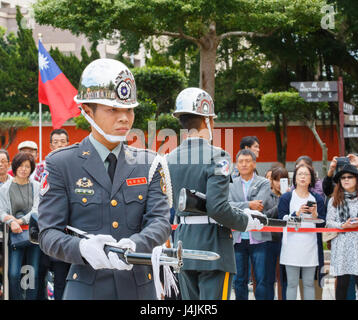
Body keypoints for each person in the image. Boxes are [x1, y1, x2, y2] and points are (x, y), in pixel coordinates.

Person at [38, 58, 172, 300]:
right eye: (113, 110)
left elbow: (160, 222)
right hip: (85, 288)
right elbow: (48, 234)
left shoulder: (150, 164)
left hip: (139, 288)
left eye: (129, 109)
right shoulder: (61, 164)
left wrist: (136, 245)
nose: (124, 118)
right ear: (88, 112)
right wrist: (82, 248)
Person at [166, 87, 263, 300]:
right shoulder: (218, 156)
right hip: (213, 247)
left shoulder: (169, 158)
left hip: (183, 244)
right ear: (207, 119)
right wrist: (245, 222)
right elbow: (217, 207)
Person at [278, 164, 326, 300]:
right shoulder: (286, 198)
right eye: (300, 174)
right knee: (292, 283)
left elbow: (322, 224)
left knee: (309, 283)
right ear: (295, 178)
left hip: (310, 246)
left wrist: (315, 215)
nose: (303, 177)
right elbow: (282, 222)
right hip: (291, 246)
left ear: (311, 179)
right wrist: (297, 213)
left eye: (306, 174)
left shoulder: (317, 199)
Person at [228, 149, 271, 300]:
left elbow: (260, 205)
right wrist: (248, 204)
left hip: (258, 238)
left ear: (254, 163)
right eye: (241, 161)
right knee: (239, 280)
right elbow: (228, 206)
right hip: (238, 238)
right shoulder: (230, 183)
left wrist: (241, 206)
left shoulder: (264, 182)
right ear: (237, 165)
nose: (244, 164)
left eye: (247, 161)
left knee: (261, 280)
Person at [0, 152, 41, 300]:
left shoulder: (36, 186)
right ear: (15, 167)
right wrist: (11, 221)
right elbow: (1, 210)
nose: (24, 169)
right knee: (13, 273)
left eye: (27, 166)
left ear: (31, 169)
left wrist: (21, 221)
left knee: (33, 273)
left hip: (34, 235)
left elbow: (37, 209)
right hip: (16, 235)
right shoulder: (5, 188)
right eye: (21, 166)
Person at [36, 128, 71, 300]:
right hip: (50, 228)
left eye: (62, 142)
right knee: (50, 275)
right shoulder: (41, 168)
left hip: (71, 231)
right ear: (50, 145)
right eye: (55, 142)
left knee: (68, 277)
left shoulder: (75, 167)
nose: (59, 145)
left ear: (68, 144)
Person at [325, 164, 358, 300]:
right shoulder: (334, 200)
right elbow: (329, 222)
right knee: (342, 285)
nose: (346, 179)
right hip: (341, 246)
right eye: (343, 177)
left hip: (357, 245)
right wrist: (342, 225)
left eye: (350, 177)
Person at [265, 166, 289, 300]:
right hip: (269, 240)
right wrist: (280, 203)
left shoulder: (291, 196)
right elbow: (265, 216)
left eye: (283, 180)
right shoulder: (266, 196)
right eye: (276, 180)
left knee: (284, 278)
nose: (279, 183)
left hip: (286, 241)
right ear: (272, 181)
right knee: (269, 277)